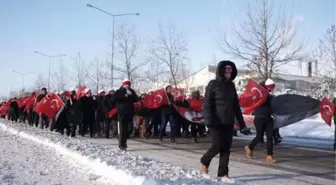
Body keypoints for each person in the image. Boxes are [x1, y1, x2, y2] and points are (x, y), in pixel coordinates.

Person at [200, 60, 250, 183]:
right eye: (226, 71)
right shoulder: (213, 84)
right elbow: (206, 104)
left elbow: (236, 106)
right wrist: (208, 120)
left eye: (230, 71)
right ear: (221, 71)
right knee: (217, 145)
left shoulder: (231, 86)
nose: (228, 73)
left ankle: (223, 173)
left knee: (226, 148)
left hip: (228, 121)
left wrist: (241, 123)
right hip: (215, 121)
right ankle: (204, 161)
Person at [244, 78, 277, 163]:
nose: (271, 90)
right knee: (259, 136)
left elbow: (272, 106)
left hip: (269, 117)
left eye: (272, 88)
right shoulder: (259, 93)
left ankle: (269, 155)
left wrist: (274, 112)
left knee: (270, 137)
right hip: (259, 117)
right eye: (270, 88)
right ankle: (249, 147)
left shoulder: (270, 96)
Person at [114, 79, 139, 151]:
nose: (128, 86)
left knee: (130, 128)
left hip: (129, 112)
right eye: (126, 84)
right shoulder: (119, 91)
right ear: (123, 85)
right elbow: (115, 97)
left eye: (129, 84)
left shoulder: (132, 91)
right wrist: (124, 95)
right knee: (122, 128)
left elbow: (136, 99)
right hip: (121, 113)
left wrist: (131, 95)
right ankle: (122, 144)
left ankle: (124, 139)